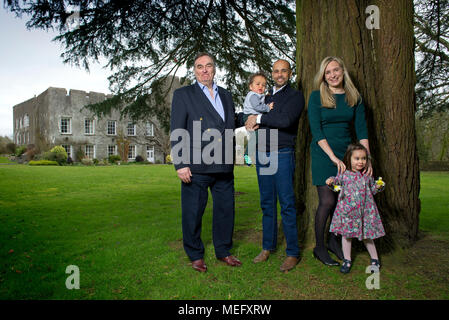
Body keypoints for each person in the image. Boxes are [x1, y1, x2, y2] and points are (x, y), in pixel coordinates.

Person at [170, 52, 241, 272]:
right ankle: (195, 254)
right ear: (194, 70)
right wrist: (180, 163)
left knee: (225, 211)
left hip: (223, 164)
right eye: (199, 66)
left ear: (214, 69)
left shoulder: (226, 95)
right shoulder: (184, 94)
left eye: (208, 66)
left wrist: (249, 117)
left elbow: (228, 121)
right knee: (193, 212)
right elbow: (177, 129)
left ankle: (224, 251)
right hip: (195, 165)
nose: (204, 70)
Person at [308, 56, 373, 266]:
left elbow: (362, 131)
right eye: (328, 72)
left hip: (346, 155)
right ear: (323, 76)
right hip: (323, 153)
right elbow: (316, 131)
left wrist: (367, 159)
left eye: (335, 70)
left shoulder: (354, 97)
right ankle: (319, 247)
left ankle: (334, 241)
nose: (332, 75)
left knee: (343, 203)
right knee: (327, 201)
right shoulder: (317, 96)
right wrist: (333, 157)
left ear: (342, 71)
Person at [245, 59, 305, 272]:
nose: (279, 74)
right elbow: (249, 116)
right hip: (262, 154)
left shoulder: (295, 96)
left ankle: (292, 252)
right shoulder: (265, 96)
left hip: (282, 153)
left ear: (290, 73)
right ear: (272, 73)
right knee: (267, 203)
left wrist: (259, 117)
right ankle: (267, 247)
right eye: (276, 71)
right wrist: (249, 119)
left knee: (287, 204)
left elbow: (285, 120)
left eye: (284, 71)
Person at [326, 143, 385, 274]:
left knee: (367, 236)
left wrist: (379, 186)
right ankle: (347, 260)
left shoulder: (367, 174)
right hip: (348, 213)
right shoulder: (344, 174)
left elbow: (372, 190)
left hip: (365, 212)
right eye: (357, 158)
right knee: (346, 236)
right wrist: (331, 181)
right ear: (349, 158)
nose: (361, 162)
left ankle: (375, 259)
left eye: (363, 158)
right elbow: (336, 184)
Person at [243, 72, 274, 165]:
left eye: (263, 85)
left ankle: (249, 155)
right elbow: (257, 107)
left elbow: (263, 99)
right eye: (257, 84)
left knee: (257, 137)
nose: (261, 86)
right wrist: (268, 108)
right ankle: (247, 155)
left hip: (254, 116)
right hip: (250, 116)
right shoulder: (253, 95)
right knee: (255, 138)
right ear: (251, 87)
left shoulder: (258, 95)